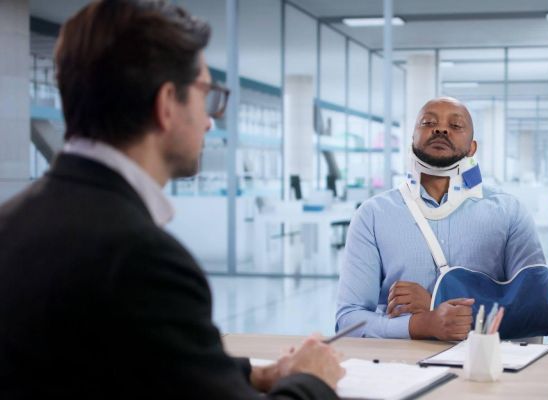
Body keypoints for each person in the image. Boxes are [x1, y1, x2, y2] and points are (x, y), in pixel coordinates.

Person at [0, 1, 343, 398]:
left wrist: (255, 375)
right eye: (207, 95)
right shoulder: (141, 259)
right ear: (166, 105)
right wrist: (313, 379)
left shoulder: (11, 222)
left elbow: (133, 355)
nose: (210, 120)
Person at [336, 97, 548, 340]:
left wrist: (435, 301)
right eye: (428, 122)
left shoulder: (509, 212)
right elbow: (348, 320)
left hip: (486, 365)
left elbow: (541, 309)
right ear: (412, 139)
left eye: (455, 126)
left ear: (472, 148)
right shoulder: (373, 215)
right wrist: (421, 324)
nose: (441, 128)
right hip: (402, 367)